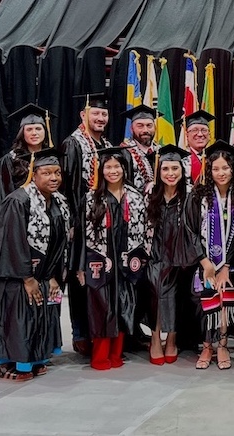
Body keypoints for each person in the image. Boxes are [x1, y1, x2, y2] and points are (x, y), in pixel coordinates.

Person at [0, 148, 70, 381]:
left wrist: (50, 275)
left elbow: (58, 242)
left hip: (41, 271)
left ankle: (33, 359)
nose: (54, 178)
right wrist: (27, 278)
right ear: (33, 174)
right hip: (12, 273)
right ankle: (6, 362)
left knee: (37, 312)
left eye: (57, 173)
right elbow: (11, 242)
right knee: (15, 316)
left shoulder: (59, 202)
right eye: (47, 173)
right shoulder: (18, 201)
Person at [79, 148, 149, 371]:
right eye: (108, 167)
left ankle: (116, 354)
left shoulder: (135, 198)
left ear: (124, 169)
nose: (113, 171)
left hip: (127, 263)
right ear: (101, 170)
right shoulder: (92, 198)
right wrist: (80, 267)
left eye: (117, 166)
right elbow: (82, 236)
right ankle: (100, 357)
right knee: (102, 309)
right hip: (100, 262)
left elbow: (145, 230)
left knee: (123, 307)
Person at [185, 140, 234, 371]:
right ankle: (206, 346)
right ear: (209, 170)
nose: (221, 173)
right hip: (203, 262)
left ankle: (222, 345)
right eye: (216, 168)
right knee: (206, 303)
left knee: (224, 303)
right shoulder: (198, 195)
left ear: (233, 169)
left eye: (225, 168)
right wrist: (205, 262)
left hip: (230, 263)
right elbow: (189, 229)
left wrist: (225, 265)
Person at [60, 93, 112, 356]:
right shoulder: (73, 144)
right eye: (95, 113)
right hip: (79, 222)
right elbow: (66, 186)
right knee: (79, 275)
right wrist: (71, 221)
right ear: (84, 115)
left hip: (102, 222)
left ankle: (98, 330)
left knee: (99, 276)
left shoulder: (106, 144)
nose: (100, 118)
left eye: (104, 114)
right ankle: (80, 332)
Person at [145, 144, 200, 365]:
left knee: (176, 297)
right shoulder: (150, 195)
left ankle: (172, 340)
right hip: (155, 256)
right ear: (158, 171)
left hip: (181, 258)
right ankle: (155, 339)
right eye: (166, 169)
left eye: (175, 168)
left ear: (182, 170)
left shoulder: (190, 196)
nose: (170, 173)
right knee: (156, 295)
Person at [0, 104, 53, 199]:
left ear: (45, 131)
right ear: (22, 133)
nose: (34, 133)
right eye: (29, 129)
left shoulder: (51, 157)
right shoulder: (10, 159)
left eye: (38, 129)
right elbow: (5, 196)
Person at [121, 104, 160, 192]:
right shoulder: (124, 153)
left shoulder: (161, 151)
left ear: (155, 128)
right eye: (140, 126)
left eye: (149, 125)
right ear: (131, 129)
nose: (145, 130)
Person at [182, 110, 215, 183]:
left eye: (204, 130)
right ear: (187, 135)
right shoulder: (181, 159)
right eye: (194, 130)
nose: (200, 134)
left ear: (209, 135)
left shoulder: (215, 157)